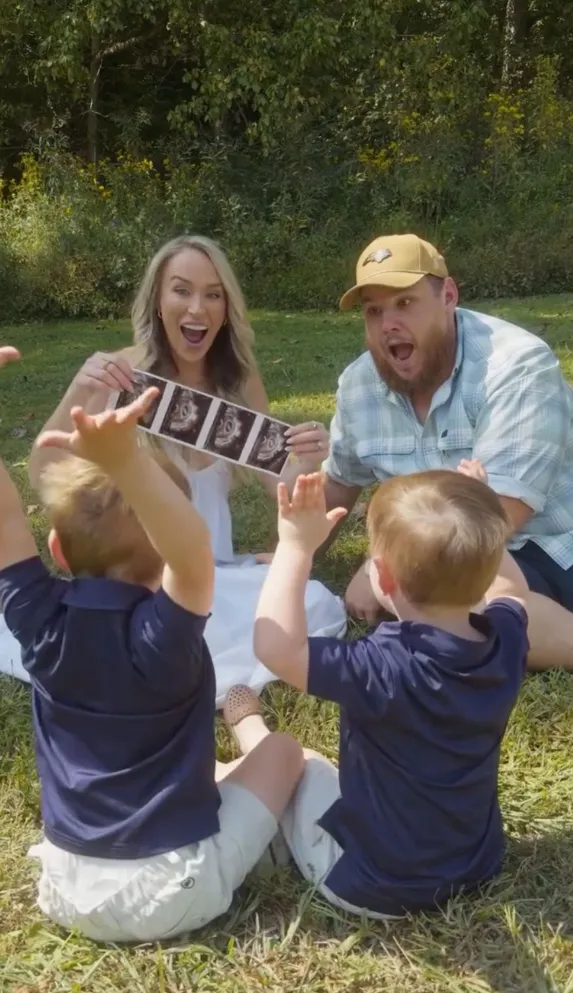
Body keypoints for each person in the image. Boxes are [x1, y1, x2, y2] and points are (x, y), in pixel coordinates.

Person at [0, 358, 304, 943]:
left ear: (57, 549)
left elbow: (6, 520)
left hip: (65, 885)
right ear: (168, 559)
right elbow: (190, 550)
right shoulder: (167, 632)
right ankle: (257, 791)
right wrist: (126, 461)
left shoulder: (37, 623)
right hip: (174, 888)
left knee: (218, 773)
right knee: (283, 752)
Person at [4, 235, 345, 703]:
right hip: (136, 578)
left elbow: (280, 485)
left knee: (313, 601)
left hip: (211, 572)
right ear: (159, 302)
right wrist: (81, 390)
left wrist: (305, 461)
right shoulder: (121, 373)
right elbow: (43, 473)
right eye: (182, 290)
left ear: (226, 309)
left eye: (213, 294)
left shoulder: (238, 382)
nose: (197, 308)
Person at [241, 462, 529, 917]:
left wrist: (294, 547)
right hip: (475, 864)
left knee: (301, 763)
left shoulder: (379, 666)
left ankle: (250, 732)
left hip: (371, 882)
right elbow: (513, 589)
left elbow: (277, 648)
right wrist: (486, 514)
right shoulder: (507, 640)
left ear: (383, 576)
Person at [320, 232, 573, 670]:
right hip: (443, 547)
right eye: (374, 311)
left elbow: (499, 515)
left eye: (405, 303)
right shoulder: (359, 385)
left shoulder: (515, 365)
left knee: (456, 608)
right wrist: (290, 556)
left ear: (448, 296)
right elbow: (338, 483)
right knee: (429, 599)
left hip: (543, 543)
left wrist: (381, 566)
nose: (388, 324)